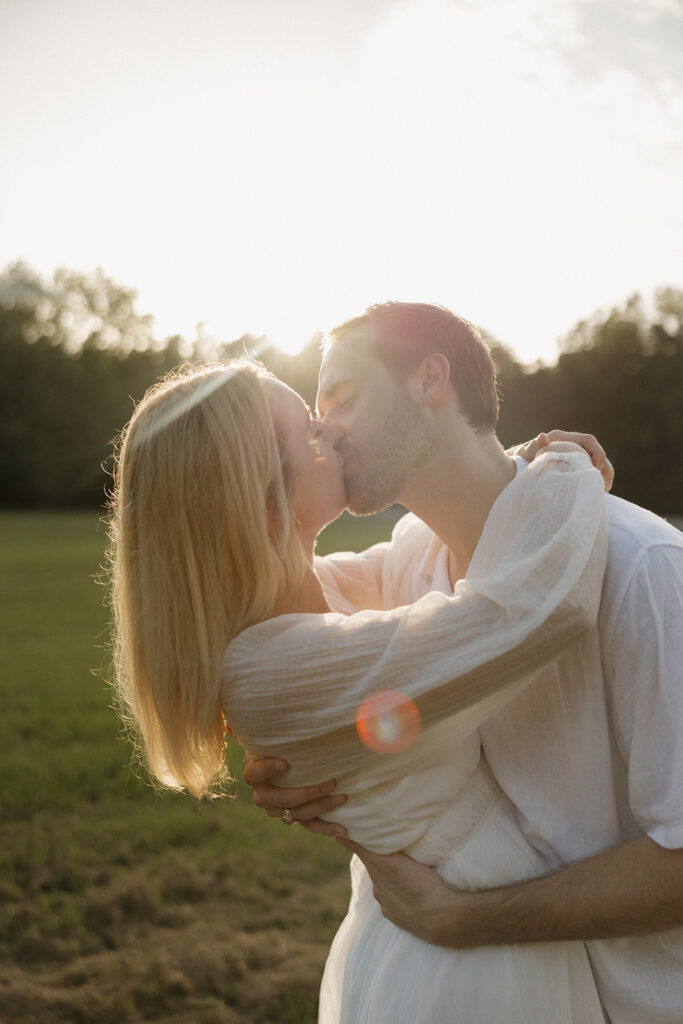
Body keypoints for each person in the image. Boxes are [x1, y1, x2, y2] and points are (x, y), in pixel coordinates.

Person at [108, 357, 610, 1022]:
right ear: (261, 498)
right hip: (467, 957)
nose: (333, 434)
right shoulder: (275, 666)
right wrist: (567, 470)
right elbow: (535, 610)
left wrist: (506, 465)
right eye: (309, 434)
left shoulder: (304, 599)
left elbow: (418, 550)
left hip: (464, 918)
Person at [246, 301, 683, 1024]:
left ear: (430, 379)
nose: (324, 430)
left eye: (343, 399)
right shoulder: (411, 555)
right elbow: (275, 619)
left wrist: (462, 919)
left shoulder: (643, 571)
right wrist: (291, 758)